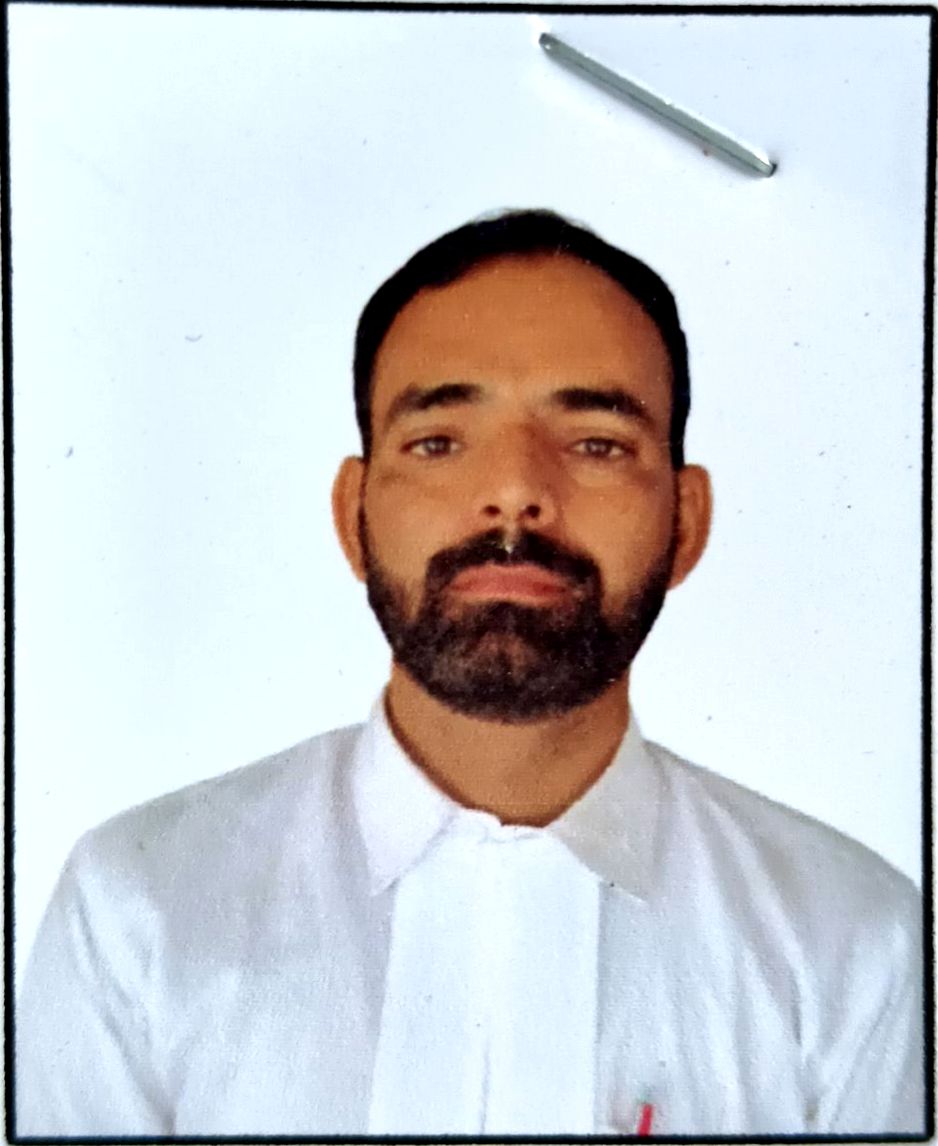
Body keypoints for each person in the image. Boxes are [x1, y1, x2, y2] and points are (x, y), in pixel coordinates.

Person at [16, 209, 924, 1137]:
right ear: (354, 515)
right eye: (439, 442)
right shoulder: (138, 911)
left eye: (597, 443)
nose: (516, 491)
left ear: (686, 522)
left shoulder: (855, 946)